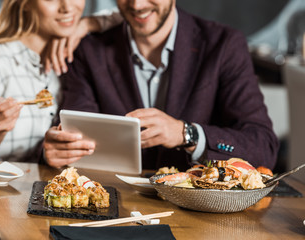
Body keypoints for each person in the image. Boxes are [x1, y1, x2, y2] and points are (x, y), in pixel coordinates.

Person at [0, 0, 119, 238]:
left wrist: (86, 24)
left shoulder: (73, 58)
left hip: (36, 213)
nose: (68, 7)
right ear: (25, 4)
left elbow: (131, 12)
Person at [43, 0, 279, 172]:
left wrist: (187, 133)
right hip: (115, 210)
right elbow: (74, 135)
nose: (137, 4)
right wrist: (58, 149)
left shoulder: (224, 45)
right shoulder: (89, 51)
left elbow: (263, 147)